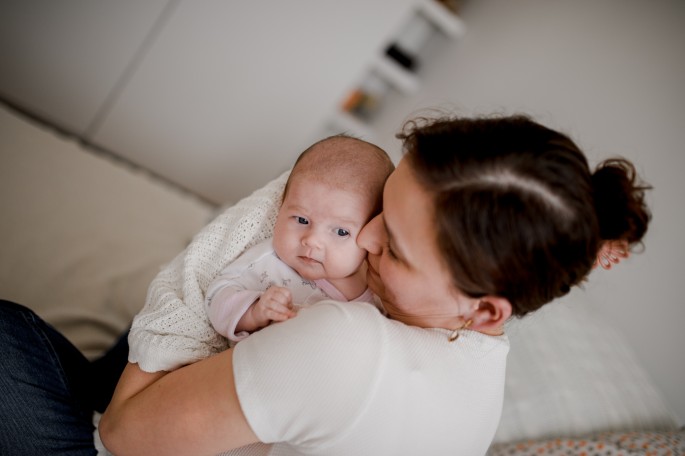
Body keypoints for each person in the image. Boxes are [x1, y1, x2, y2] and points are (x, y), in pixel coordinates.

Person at [0, 113, 650, 455]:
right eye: (378, 210)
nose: (360, 243)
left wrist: (191, 283)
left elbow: (122, 436)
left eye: (390, 246)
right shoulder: (478, 347)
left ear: (483, 309)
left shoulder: (342, 346)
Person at [205, 135, 394, 342]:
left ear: (370, 234)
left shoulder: (376, 290)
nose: (312, 240)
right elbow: (217, 296)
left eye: (341, 232)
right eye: (302, 220)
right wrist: (254, 311)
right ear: (282, 206)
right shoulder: (268, 261)